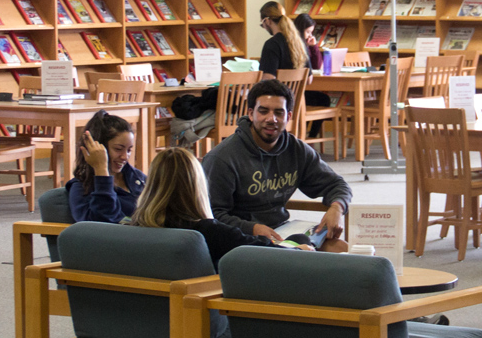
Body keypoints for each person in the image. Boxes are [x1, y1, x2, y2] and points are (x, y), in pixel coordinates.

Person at [202, 79, 352, 252]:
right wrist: (251, 228)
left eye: (279, 113)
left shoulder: (296, 149)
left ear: (288, 116)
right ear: (251, 114)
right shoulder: (222, 158)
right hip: (240, 241)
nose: (271, 119)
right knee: (305, 261)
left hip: (281, 234)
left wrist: (337, 208)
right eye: (263, 111)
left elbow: (337, 184)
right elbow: (210, 216)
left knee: (343, 251)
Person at [128, 147, 313, 268]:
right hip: (209, 314)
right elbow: (262, 253)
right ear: (197, 187)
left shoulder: (136, 225)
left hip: (151, 315)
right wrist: (301, 251)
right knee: (302, 240)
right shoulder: (208, 232)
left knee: (297, 239)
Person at [66, 110, 146, 223]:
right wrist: (101, 171)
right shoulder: (81, 187)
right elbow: (104, 223)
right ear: (97, 148)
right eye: (118, 149)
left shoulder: (137, 178)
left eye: (129, 150)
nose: (125, 157)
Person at [294, 13, 331, 138]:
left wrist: (314, 47)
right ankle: (306, 135)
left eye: (311, 32)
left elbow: (317, 65)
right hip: (295, 90)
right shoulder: (295, 46)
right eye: (308, 32)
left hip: (304, 88)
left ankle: (310, 135)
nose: (310, 35)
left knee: (323, 99)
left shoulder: (307, 45)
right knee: (322, 100)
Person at [258, 1, 312, 84]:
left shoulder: (271, 44)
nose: (264, 27)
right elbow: (309, 80)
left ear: (267, 21)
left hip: (278, 96)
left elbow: (268, 80)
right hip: (295, 96)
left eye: (262, 24)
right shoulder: (300, 42)